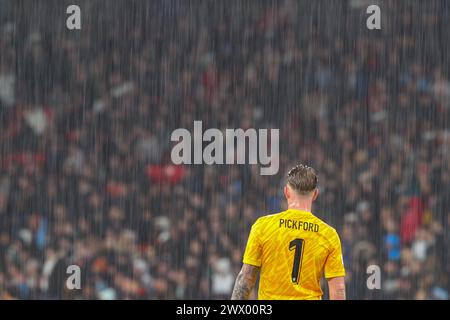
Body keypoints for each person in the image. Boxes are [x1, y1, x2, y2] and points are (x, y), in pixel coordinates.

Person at [231, 164, 346, 300]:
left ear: (286, 192)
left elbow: (246, 278)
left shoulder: (263, 226)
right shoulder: (328, 235)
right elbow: (338, 289)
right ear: (315, 194)